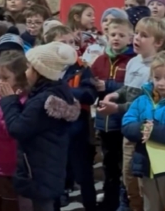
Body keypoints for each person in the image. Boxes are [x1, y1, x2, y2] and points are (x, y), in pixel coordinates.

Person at [98, 17, 165, 211]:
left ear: (158, 42)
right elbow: (127, 89)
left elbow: (147, 103)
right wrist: (115, 94)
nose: (136, 38)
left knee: (143, 181)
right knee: (128, 176)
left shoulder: (158, 68)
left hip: (147, 132)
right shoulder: (133, 62)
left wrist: (117, 108)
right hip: (129, 129)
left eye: (143, 35)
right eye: (136, 33)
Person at [0, 42, 81, 211]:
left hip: (38, 170)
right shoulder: (55, 90)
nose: (25, 72)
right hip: (47, 167)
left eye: (29, 67)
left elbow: (17, 128)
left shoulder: (43, 101)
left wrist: (9, 101)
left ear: (40, 71)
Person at [122, 51, 165, 211]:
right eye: (157, 78)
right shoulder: (141, 101)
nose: (161, 83)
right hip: (148, 166)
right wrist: (143, 128)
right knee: (151, 206)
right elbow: (127, 125)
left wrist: (154, 130)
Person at [46, 26, 98, 211]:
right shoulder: (44, 69)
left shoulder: (82, 68)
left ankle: (90, 206)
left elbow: (89, 94)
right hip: (52, 129)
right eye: (63, 42)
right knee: (55, 175)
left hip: (78, 128)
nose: (69, 46)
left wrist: (63, 91)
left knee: (84, 173)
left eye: (72, 42)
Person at [91, 18, 135, 211]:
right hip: (104, 122)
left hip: (122, 120)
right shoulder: (100, 60)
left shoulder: (132, 61)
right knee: (108, 165)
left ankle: (124, 203)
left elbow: (130, 89)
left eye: (121, 35)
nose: (116, 38)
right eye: (113, 35)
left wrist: (108, 86)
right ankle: (109, 201)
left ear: (130, 38)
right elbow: (91, 83)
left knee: (124, 166)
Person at [0, 52, 29, 211]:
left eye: (5, 78)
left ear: (20, 78)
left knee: (9, 205)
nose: (0, 82)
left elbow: (9, 130)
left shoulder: (22, 101)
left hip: (9, 167)